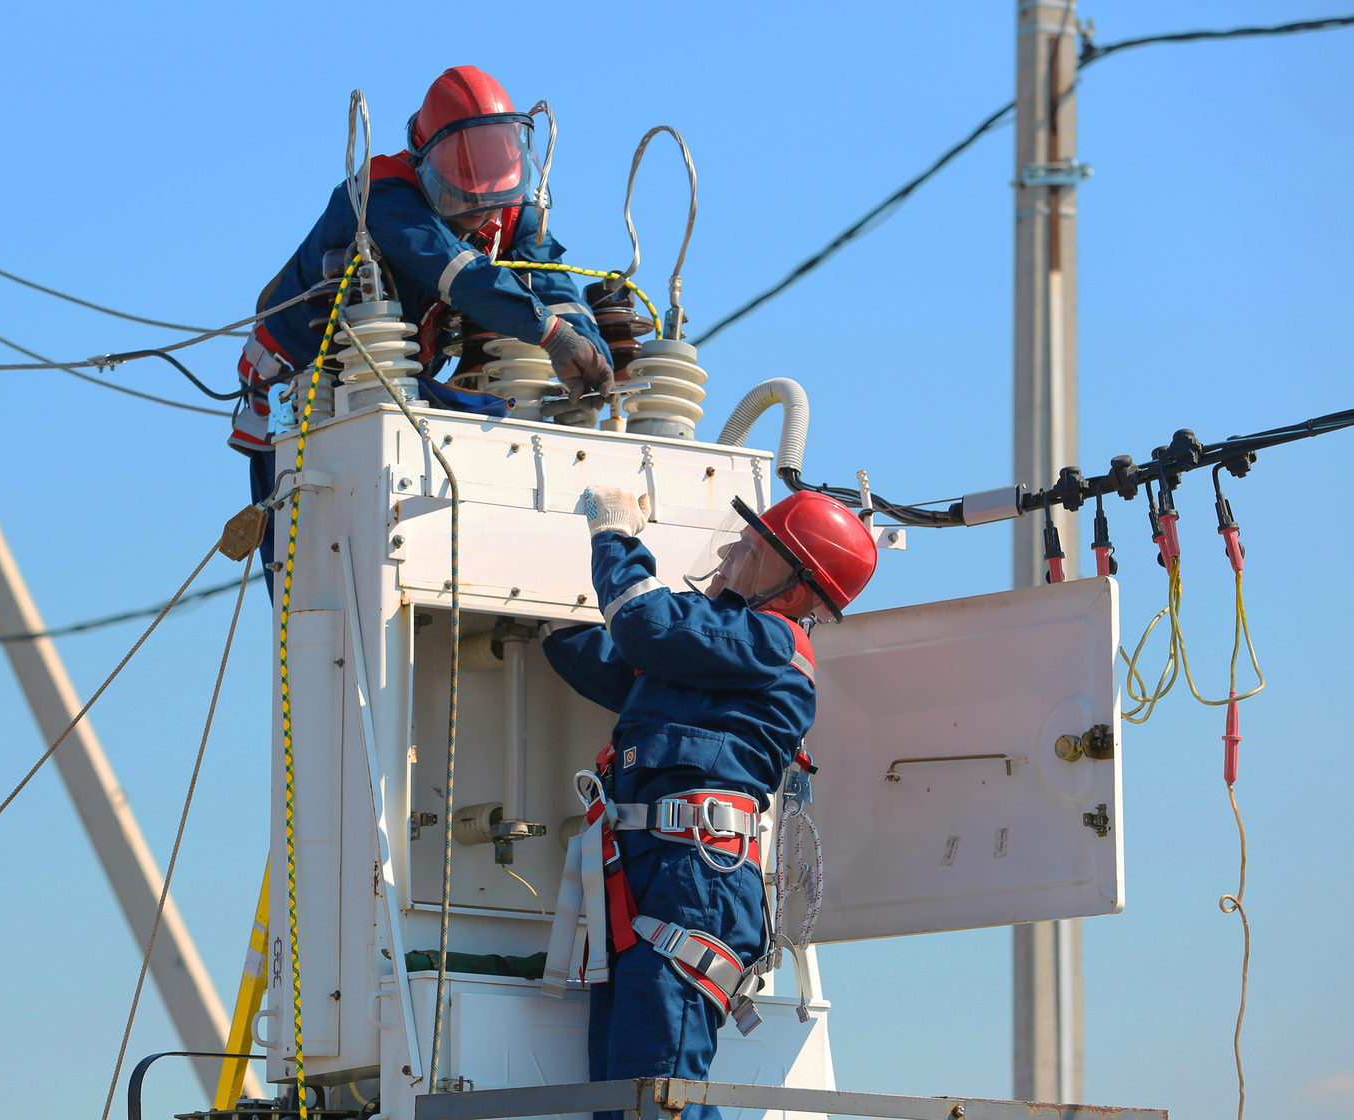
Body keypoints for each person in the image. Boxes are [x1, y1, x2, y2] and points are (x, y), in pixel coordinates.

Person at [542, 485, 878, 1120]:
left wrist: (615, 537)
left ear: (795, 589)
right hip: (659, 878)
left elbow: (645, 626)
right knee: (624, 1101)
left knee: (655, 1097)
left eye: (751, 548)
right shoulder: (717, 652)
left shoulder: (772, 644)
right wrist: (542, 609)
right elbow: (618, 660)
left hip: (695, 880)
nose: (729, 550)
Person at [226, 65, 613, 579]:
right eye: (460, 201)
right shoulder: (377, 195)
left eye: (491, 203)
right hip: (298, 398)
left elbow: (552, 283)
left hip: (394, 389)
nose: (478, 217)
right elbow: (453, 269)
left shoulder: (514, 209)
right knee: (312, 587)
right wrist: (551, 336)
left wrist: (587, 345)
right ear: (421, 162)